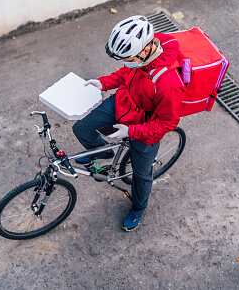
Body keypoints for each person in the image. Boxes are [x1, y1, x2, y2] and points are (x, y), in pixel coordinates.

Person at [72, 15, 186, 231]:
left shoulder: (169, 83)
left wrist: (130, 131)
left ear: (145, 50)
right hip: (123, 103)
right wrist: (103, 83)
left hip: (145, 128)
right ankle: (103, 152)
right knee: (82, 128)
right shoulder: (140, 55)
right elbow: (126, 73)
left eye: (130, 58)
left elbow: (167, 123)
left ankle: (138, 207)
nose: (127, 63)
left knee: (142, 176)